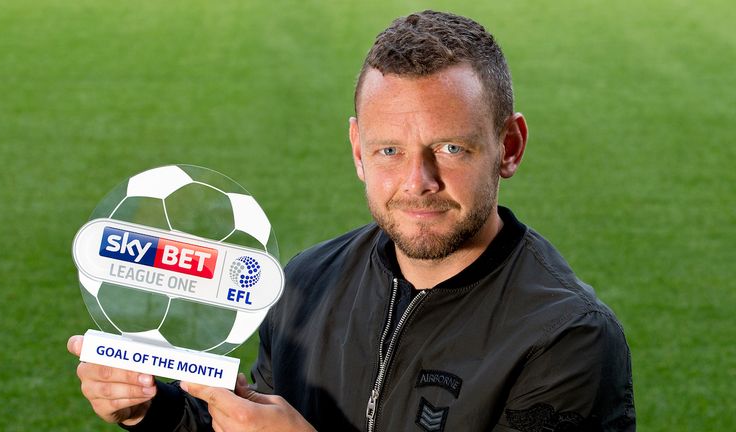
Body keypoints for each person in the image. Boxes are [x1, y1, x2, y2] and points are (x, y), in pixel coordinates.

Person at [68, 10, 635, 431]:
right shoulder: (307, 282)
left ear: (509, 146)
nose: (419, 182)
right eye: (390, 151)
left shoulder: (567, 338)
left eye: (452, 149)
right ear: (358, 150)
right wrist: (152, 410)